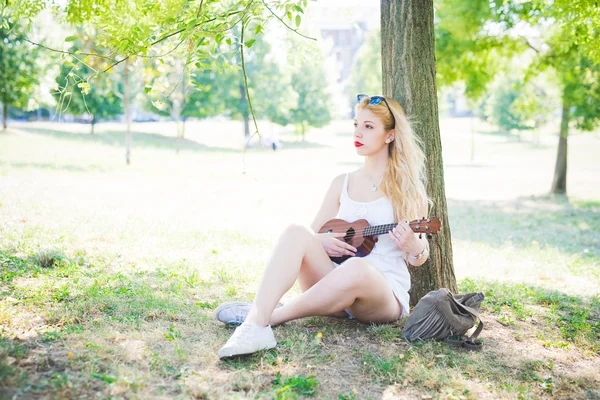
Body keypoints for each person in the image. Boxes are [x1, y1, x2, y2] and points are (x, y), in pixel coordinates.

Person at [216, 94, 431, 359]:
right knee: (295, 231)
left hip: (381, 295)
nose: (358, 133)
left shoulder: (407, 190)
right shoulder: (342, 182)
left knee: (357, 268)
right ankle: (257, 322)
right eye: (355, 124)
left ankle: (262, 319)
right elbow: (309, 235)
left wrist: (414, 246)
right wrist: (321, 241)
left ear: (390, 135)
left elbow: (419, 257)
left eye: (368, 126)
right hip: (333, 289)